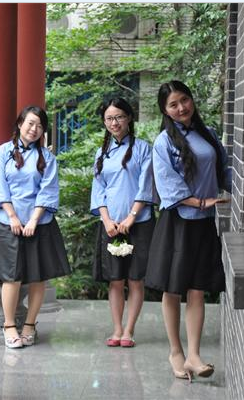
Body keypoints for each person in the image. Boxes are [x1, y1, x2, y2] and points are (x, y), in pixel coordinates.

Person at [145, 80, 231, 381]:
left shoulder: (207, 134)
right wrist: (202, 201)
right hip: (178, 222)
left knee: (197, 288)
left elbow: (224, 171)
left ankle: (194, 355)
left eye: (185, 99)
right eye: (173, 104)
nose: (181, 107)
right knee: (173, 288)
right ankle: (176, 352)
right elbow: (168, 186)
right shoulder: (163, 142)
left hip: (204, 222)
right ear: (165, 110)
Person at [0, 105, 71, 348]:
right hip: (9, 223)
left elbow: (48, 190)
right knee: (11, 277)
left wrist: (34, 220)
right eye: (30, 123)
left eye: (40, 126)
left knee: (38, 277)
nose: (34, 129)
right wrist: (13, 216)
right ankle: (9, 325)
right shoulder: (2, 152)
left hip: (40, 224)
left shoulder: (47, 158)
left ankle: (30, 325)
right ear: (20, 124)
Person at [90, 97, 155, 348]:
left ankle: (129, 330)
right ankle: (117, 329)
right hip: (110, 225)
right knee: (115, 279)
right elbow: (99, 189)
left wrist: (131, 217)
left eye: (118, 117)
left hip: (139, 223)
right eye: (109, 118)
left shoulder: (143, 149)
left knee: (135, 279)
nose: (114, 122)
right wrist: (107, 220)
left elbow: (146, 186)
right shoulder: (101, 152)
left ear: (129, 118)